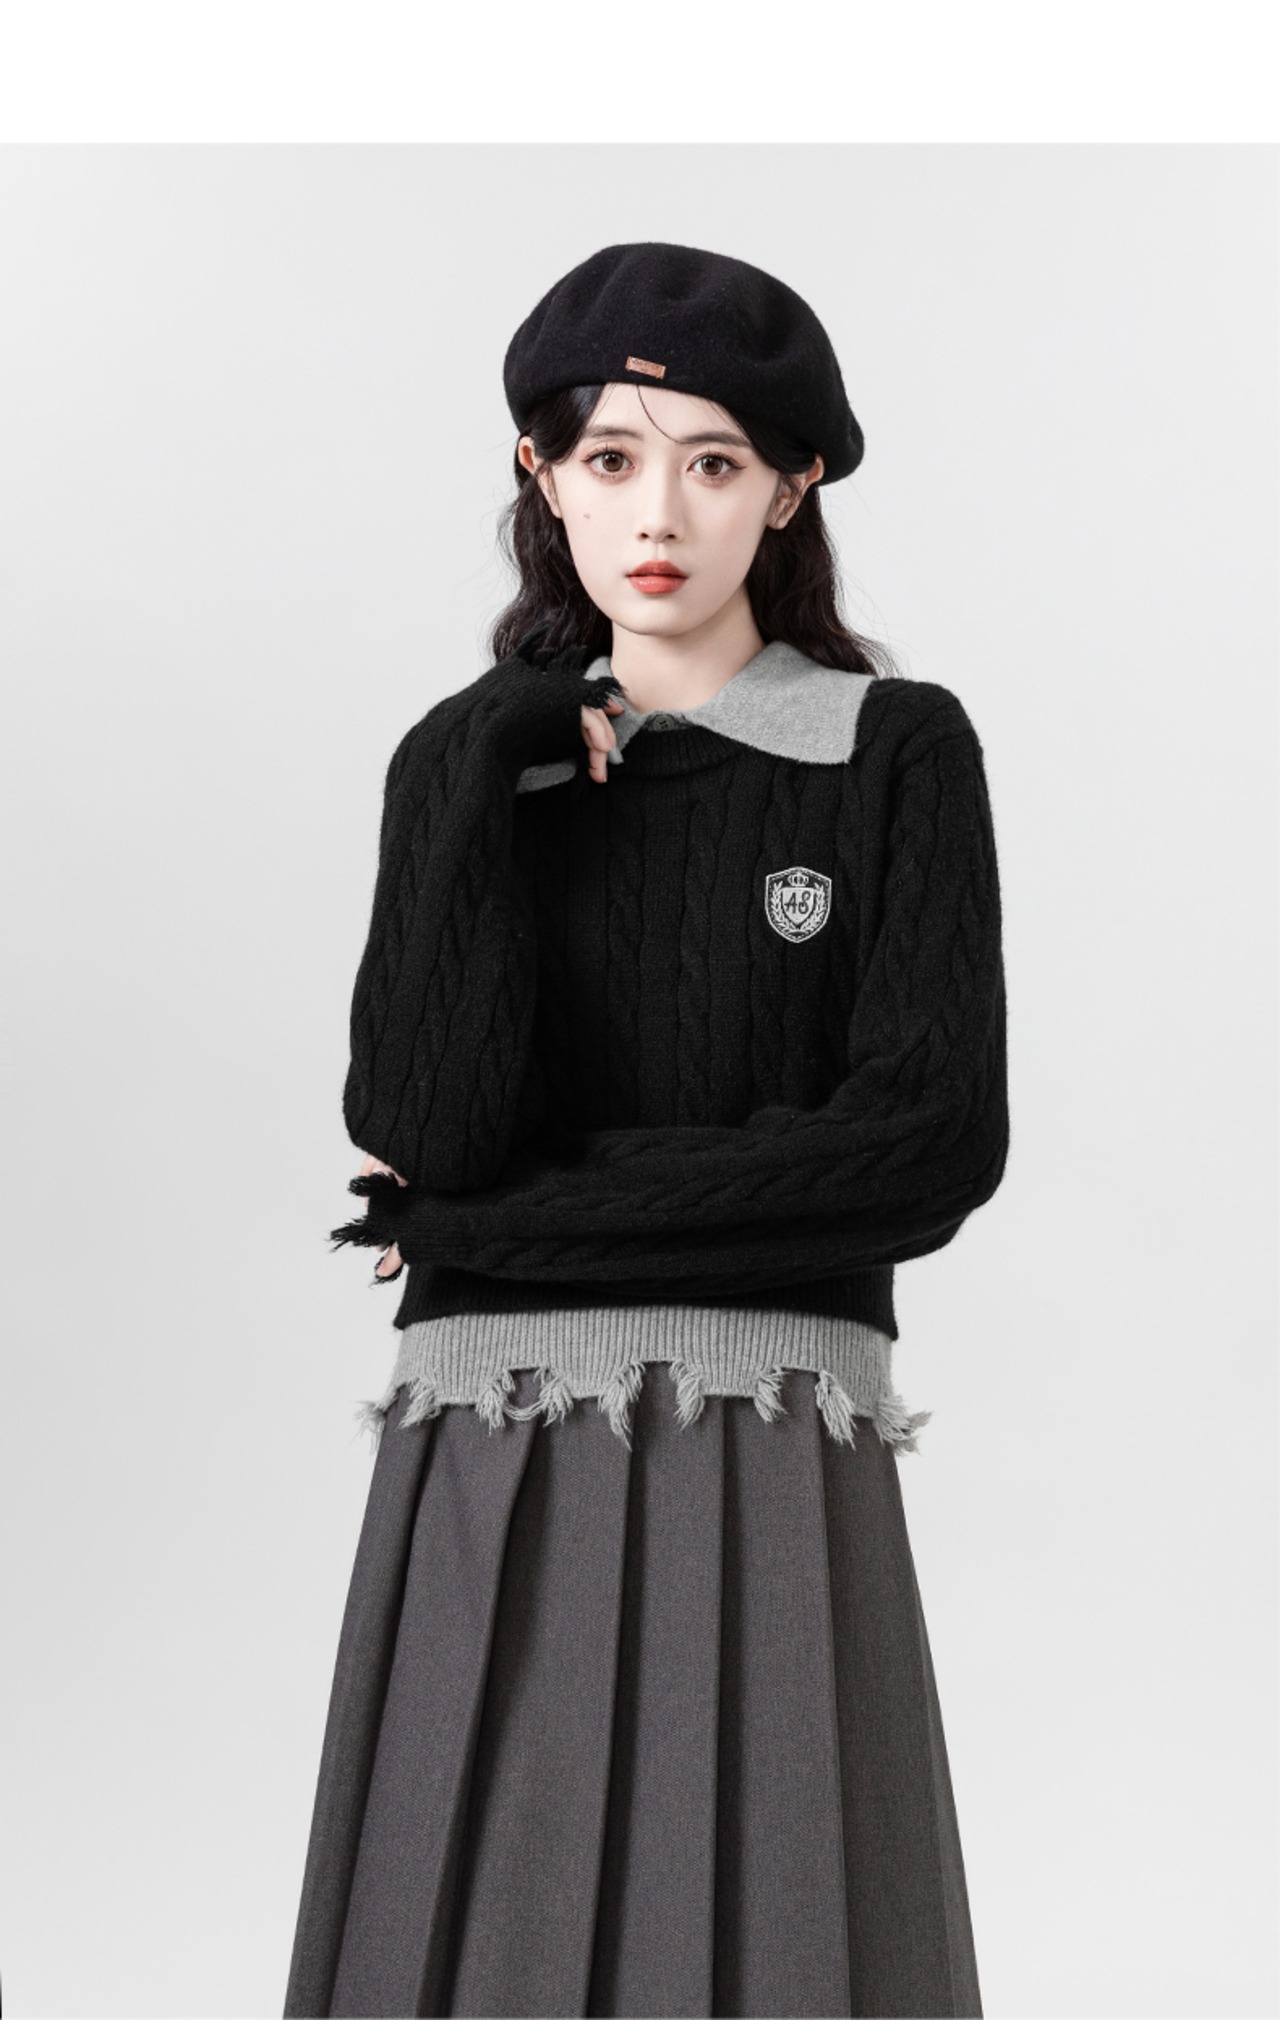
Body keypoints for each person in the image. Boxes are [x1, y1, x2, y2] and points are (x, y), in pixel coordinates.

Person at [283, 240, 1009, 2020]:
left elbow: (926, 1151)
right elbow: (424, 1118)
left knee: (782, 1945)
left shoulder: (893, 753)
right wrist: (488, 762)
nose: (658, 511)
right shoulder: (467, 762)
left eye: (713, 461)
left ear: (792, 486)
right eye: (608, 457)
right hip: (490, 1439)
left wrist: (486, 1228)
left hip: (773, 1426)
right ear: (542, 476)